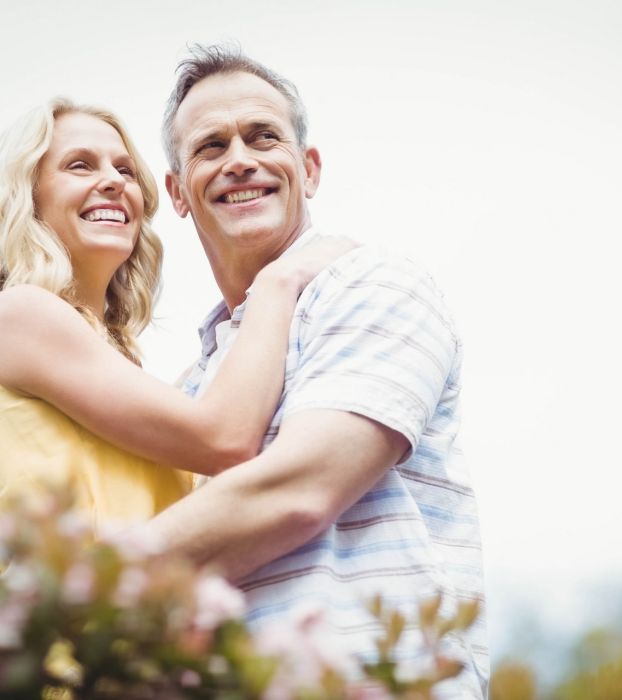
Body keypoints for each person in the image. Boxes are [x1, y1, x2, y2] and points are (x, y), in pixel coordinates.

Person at [141, 44, 488, 697]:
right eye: (210, 147)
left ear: (310, 167)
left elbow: (297, 490)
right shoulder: (194, 384)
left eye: (262, 136)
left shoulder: (371, 283)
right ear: (177, 193)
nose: (239, 159)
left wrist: (69, 590)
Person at [0, 97, 353, 533]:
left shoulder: (128, 369)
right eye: (80, 166)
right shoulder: (19, 314)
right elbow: (224, 439)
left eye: (125, 170)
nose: (113, 181)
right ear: (26, 196)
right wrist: (279, 280)